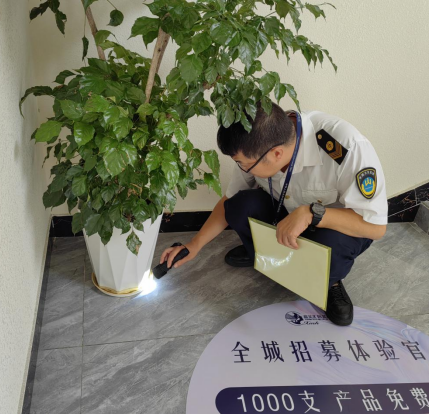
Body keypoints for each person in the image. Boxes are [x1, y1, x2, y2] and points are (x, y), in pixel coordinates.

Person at [160, 101, 388, 326]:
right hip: (285, 212)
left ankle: (330, 283)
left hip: (332, 228)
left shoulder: (347, 147)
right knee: (239, 206)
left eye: (243, 164)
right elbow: (230, 198)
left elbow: (376, 227)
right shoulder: (258, 141)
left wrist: (313, 213)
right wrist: (195, 244)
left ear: (276, 153)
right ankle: (264, 254)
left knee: (332, 246)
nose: (242, 168)